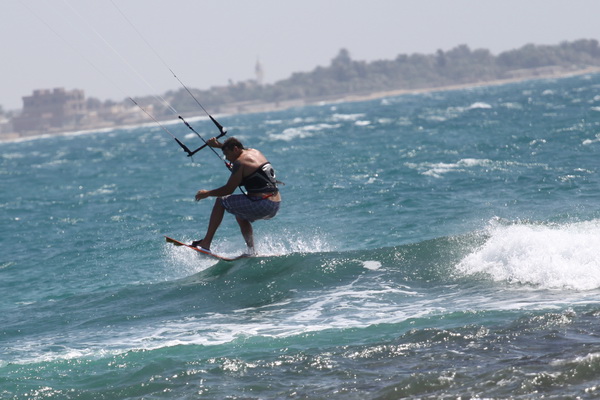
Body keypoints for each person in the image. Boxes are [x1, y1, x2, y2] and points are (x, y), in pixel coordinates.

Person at [192, 137, 281, 255]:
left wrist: (207, 193)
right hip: (275, 203)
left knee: (221, 201)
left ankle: (206, 243)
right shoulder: (254, 152)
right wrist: (218, 145)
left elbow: (228, 189)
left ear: (235, 149)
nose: (227, 158)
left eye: (227, 154)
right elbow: (252, 175)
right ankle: (251, 251)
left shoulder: (240, 163)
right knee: (240, 214)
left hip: (262, 203)